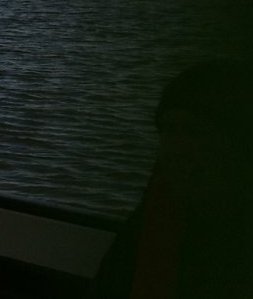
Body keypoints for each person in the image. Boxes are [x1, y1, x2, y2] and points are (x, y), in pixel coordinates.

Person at [88, 58, 253, 298]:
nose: (178, 149)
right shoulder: (154, 219)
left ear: (238, 144)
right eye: (170, 130)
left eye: (197, 132)